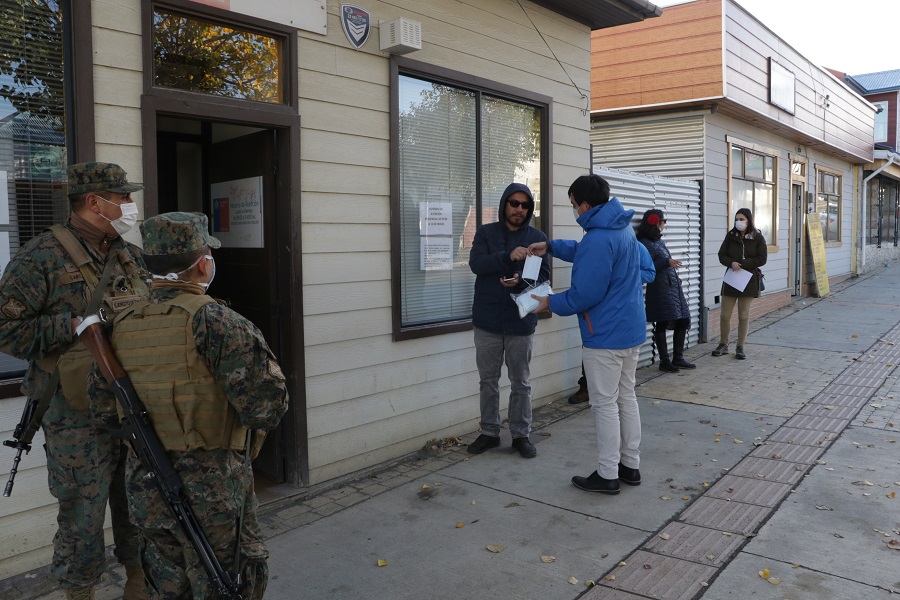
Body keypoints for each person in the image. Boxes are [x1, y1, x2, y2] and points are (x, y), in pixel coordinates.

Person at [90, 212, 289, 599]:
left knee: (165, 584)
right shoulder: (219, 323)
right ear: (203, 264)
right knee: (228, 581)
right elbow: (265, 408)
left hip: (147, 482)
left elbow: (102, 409)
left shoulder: (120, 324)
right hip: (213, 488)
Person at [0, 162, 149, 599]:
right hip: (74, 412)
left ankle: (139, 582)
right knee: (83, 511)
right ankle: (80, 592)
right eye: (122, 197)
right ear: (94, 202)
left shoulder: (128, 254)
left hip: (131, 400)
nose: (130, 204)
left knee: (138, 496)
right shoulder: (40, 257)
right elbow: (6, 331)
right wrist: (70, 326)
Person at [528, 174, 654, 495]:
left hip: (605, 336)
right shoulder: (620, 228)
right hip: (629, 331)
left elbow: (585, 293)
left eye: (573, 204)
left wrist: (549, 302)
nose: (574, 210)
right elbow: (587, 252)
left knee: (604, 404)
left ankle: (608, 473)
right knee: (626, 397)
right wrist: (551, 247)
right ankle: (630, 466)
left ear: (584, 205)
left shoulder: (599, 237)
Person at [467, 183, 550, 459]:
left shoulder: (537, 237)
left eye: (525, 205)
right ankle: (490, 432)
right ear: (505, 204)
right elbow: (476, 264)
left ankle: (520, 435)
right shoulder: (486, 232)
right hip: (487, 321)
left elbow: (543, 276)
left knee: (521, 382)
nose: (519, 209)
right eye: (514, 203)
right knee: (488, 381)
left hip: (520, 322)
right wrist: (506, 257)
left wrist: (519, 281)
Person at [636, 209, 695, 373]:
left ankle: (678, 357)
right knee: (662, 321)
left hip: (672, 285)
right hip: (659, 288)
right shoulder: (644, 243)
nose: (665, 224)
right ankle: (665, 361)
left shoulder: (658, 240)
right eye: (664, 221)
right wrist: (666, 262)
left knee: (683, 320)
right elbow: (646, 267)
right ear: (656, 222)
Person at [711, 208, 767, 360]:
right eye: (737, 219)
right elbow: (722, 255)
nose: (739, 222)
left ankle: (740, 346)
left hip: (748, 280)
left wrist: (743, 264)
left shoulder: (757, 237)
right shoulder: (731, 235)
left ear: (749, 220)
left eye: (742, 219)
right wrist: (731, 263)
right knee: (725, 315)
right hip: (732, 278)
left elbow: (762, 258)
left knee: (743, 315)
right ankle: (723, 344)